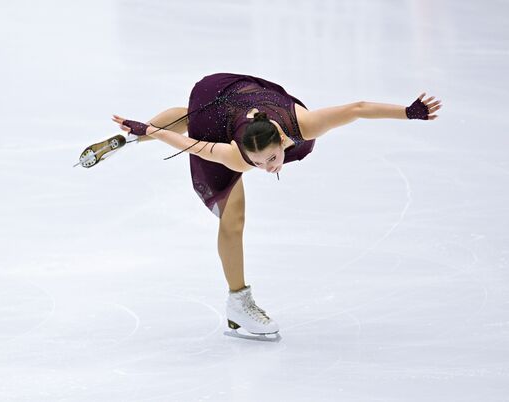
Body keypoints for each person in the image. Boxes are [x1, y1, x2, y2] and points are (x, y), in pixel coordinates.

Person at [106, 72, 442, 339]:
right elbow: (192, 143)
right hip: (216, 96)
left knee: (197, 117)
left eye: (271, 159)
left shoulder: (304, 124)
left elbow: (356, 109)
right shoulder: (237, 157)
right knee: (232, 217)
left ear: (282, 140)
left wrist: (409, 113)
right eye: (259, 163)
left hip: (236, 93)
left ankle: (137, 133)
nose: (268, 168)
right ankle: (238, 301)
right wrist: (151, 131)